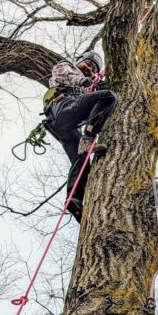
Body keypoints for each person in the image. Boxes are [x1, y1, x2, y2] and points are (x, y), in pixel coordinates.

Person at [42, 50, 118, 222]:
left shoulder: (84, 87)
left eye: (93, 69)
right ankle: (89, 137)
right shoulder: (66, 67)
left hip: (66, 127)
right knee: (109, 97)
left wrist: (95, 84)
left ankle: (74, 199)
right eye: (88, 64)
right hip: (63, 108)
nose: (90, 69)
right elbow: (66, 75)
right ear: (80, 60)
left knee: (82, 159)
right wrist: (85, 81)